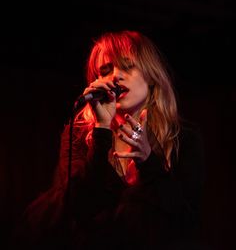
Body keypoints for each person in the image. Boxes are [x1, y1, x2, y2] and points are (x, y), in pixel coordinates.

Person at [11, 30, 205, 250]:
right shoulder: (79, 134)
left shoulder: (182, 137)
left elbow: (184, 220)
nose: (116, 76)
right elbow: (76, 206)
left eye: (127, 66)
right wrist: (101, 130)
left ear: (151, 75)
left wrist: (148, 161)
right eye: (106, 70)